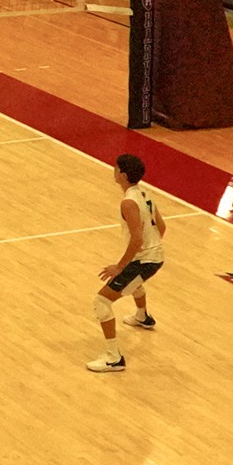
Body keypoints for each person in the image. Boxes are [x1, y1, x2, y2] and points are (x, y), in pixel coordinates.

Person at [87, 153, 166, 373]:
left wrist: (120, 266)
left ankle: (114, 358)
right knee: (133, 283)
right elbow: (162, 227)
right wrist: (153, 250)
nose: (113, 170)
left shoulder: (129, 202)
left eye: (115, 168)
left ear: (122, 174)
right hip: (152, 257)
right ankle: (143, 317)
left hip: (146, 260)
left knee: (101, 302)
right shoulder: (144, 193)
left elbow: (137, 239)